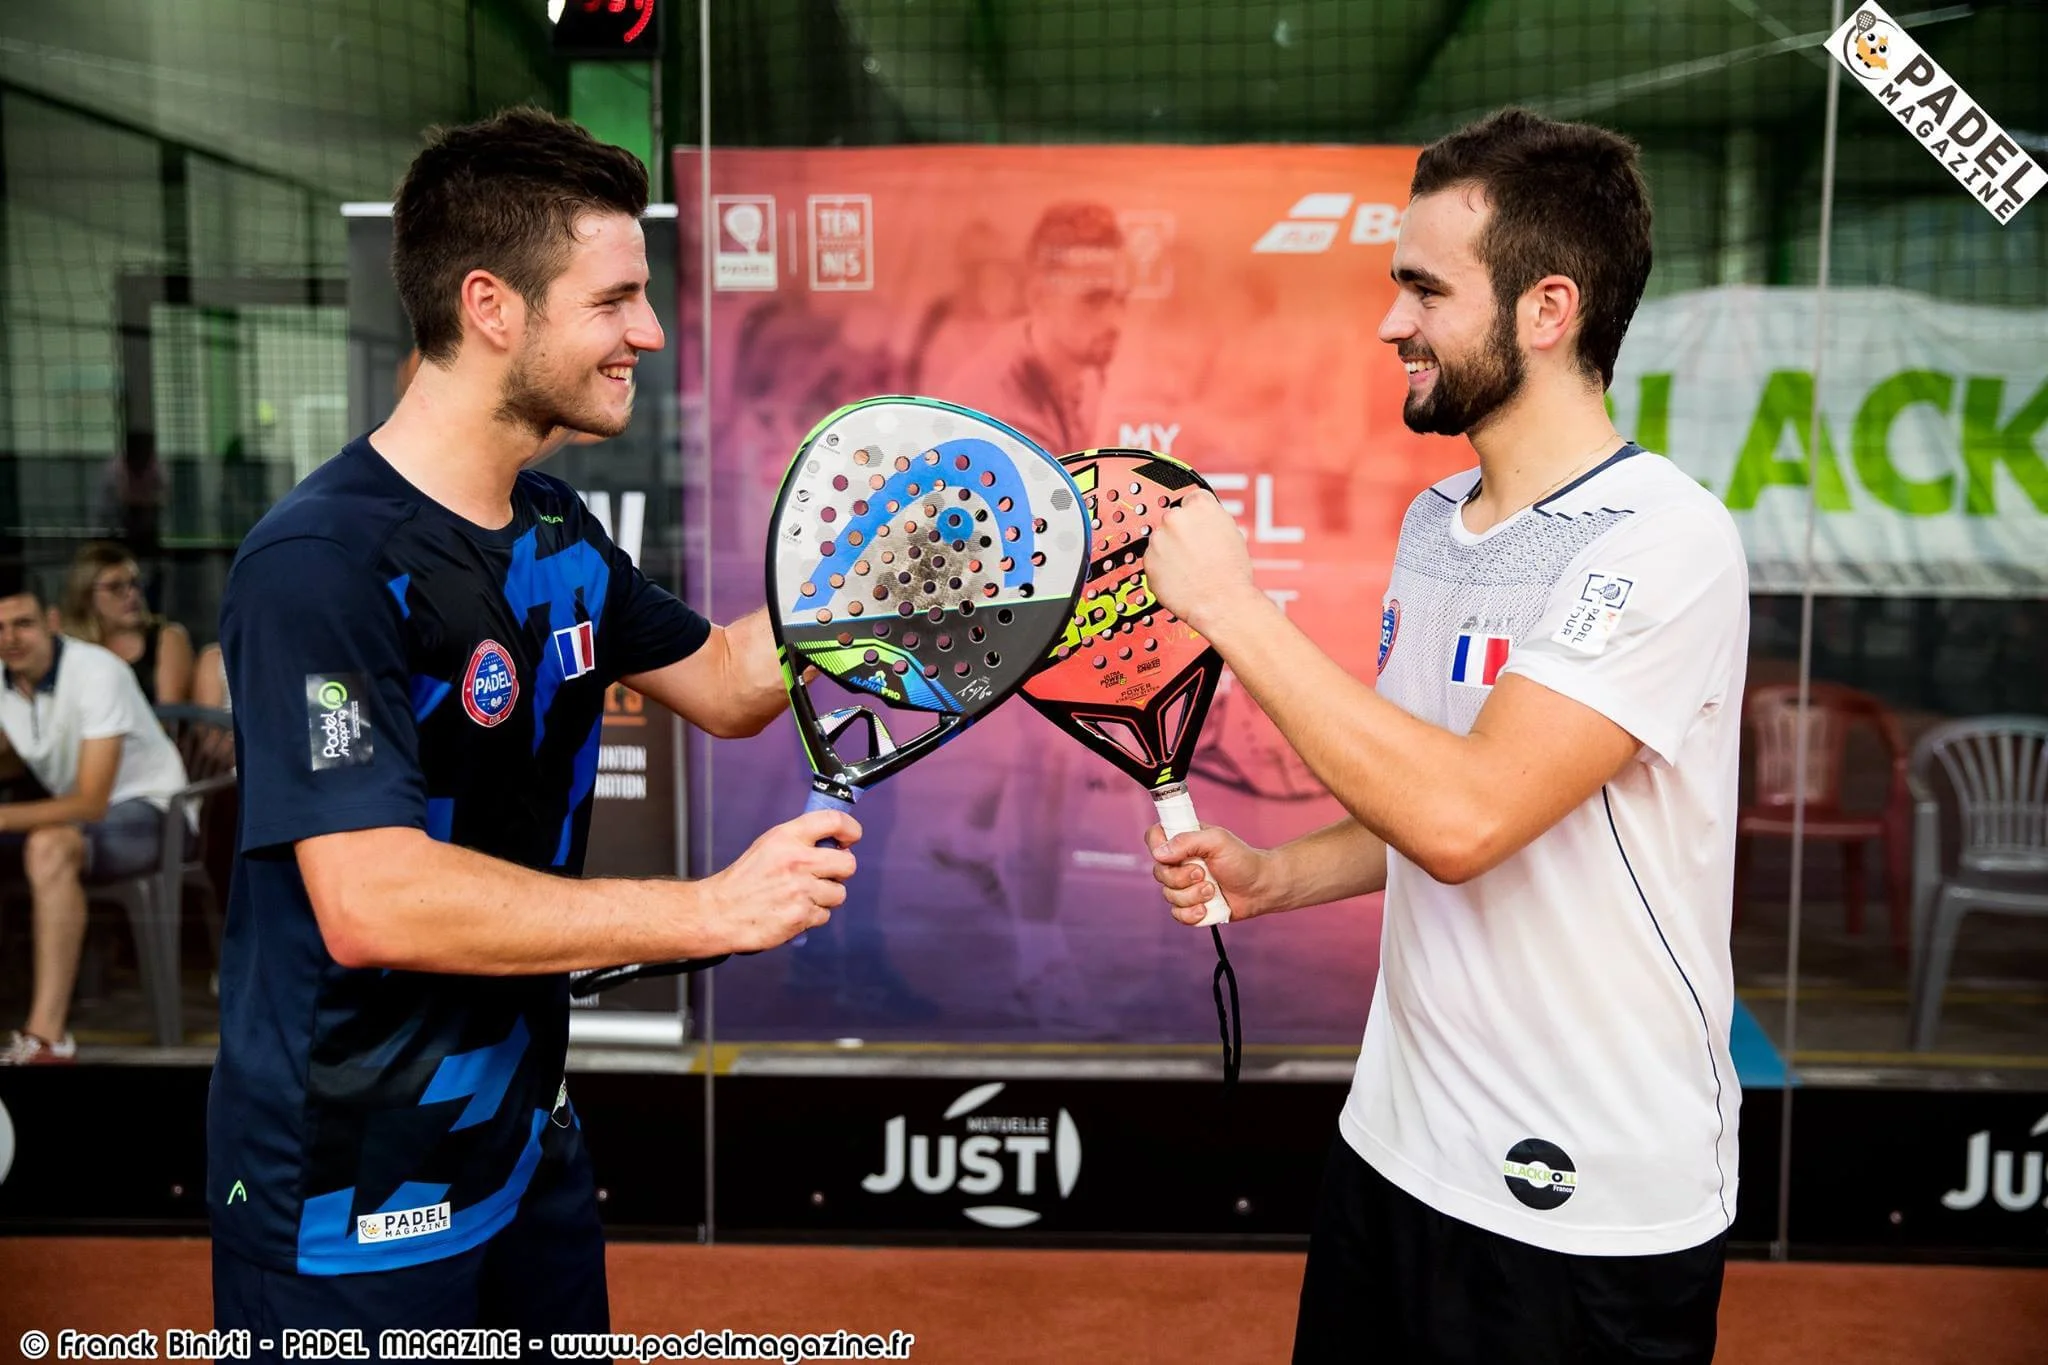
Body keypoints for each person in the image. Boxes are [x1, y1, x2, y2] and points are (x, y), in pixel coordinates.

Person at [207, 108, 858, 1354]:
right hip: (351, 1187)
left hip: (526, 1142)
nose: (648, 334)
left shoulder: (553, 524)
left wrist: (897, 580)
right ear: (491, 306)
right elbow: (373, 902)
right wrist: (708, 911)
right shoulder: (320, 561)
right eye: (614, 300)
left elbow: (725, 679)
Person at [1144, 109, 1748, 1363]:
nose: (1388, 322)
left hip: (1582, 1201)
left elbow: (1468, 818)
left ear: (1546, 309)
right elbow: (1411, 793)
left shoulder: (1661, 541)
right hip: (1396, 1147)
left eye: (1423, 287)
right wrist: (1275, 877)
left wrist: (1230, 607)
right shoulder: (1436, 520)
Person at [0, 570, 192, 1064]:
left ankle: (48, 1039)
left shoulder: (96, 671)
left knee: (48, 845)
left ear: (53, 622)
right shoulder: (4, 680)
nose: (10, 639)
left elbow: (90, 802)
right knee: (48, 840)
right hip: (79, 819)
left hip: (151, 813)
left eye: (22, 624)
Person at [58, 541, 196, 705]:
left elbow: (170, 721)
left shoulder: (166, 637)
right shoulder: (73, 646)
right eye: (115, 587)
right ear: (87, 595)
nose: (132, 594)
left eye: (135, 583)